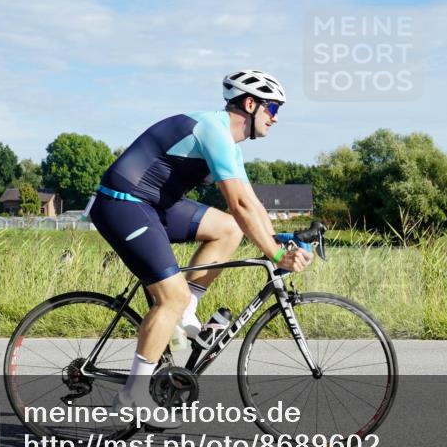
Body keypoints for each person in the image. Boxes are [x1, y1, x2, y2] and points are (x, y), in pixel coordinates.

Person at [88, 70, 313, 426]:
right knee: (170, 297)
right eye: (272, 107)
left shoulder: (230, 145)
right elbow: (238, 203)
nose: (275, 117)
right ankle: (133, 394)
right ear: (250, 104)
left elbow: (252, 204)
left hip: (155, 204)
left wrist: (278, 240)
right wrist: (274, 254)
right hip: (122, 203)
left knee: (227, 230)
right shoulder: (213, 130)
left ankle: (185, 313)